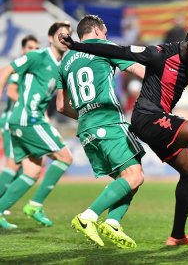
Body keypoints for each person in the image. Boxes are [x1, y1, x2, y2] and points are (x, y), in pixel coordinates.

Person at [59, 24, 188, 245]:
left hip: (157, 121)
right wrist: (77, 46)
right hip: (146, 117)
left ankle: (177, 236)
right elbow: (119, 51)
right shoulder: (158, 55)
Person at [56, 15, 146, 248]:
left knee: (127, 179)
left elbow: (60, 106)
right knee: (135, 176)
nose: (106, 34)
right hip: (108, 122)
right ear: (96, 30)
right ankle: (88, 216)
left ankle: (113, 222)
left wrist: (87, 115)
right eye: (104, 30)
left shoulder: (65, 61)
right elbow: (141, 71)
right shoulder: (104, 47)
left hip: (86, 130)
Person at [0, 21, 73, 230]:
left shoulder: (61, 67)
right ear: (50, 38)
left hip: (34, 118)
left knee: (32, 170)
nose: (64, 38)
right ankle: (35, 204)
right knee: (65, 157)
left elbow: (57, 103)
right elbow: (6, 70)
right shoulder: (37, 56)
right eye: (60, 34)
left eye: (67, 36)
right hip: (27, 118)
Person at [0, 35, 39, 206]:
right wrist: (28, 104)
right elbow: (11, 92)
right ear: (23, 50)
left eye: (36, 48)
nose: (33, 51)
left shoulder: (32, 70)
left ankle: (3, 206)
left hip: (22, 122)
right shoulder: (21, 67)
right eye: (30, 47)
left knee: (22, 166)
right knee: (13, 165)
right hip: (11, 121)